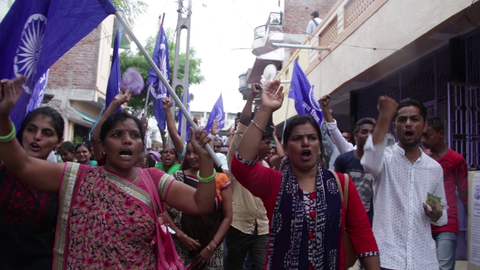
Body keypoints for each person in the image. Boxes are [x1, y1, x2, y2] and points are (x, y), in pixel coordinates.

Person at [0, 77, 217, 269]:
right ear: (102, 145)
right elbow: (22, 165)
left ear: (142, 146)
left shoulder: (153, 178)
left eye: (134, 135)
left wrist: (206, 161)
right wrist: (2, 119)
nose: (127, 140)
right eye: (117, 134)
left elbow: (201, 204)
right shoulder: (79, 177)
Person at [231, 80, 380, 270]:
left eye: (312, 138)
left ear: (319, 146)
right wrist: (265, 110)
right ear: (285, 148)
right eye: (297, 138)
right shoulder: (274, 182)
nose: (306, 143)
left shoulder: (342, 184)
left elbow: (363, 235)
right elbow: (241, 166)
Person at [361, 97, 448, 270]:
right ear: (395, 127)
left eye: (414, 119)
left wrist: (436, 214)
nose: (408, 124)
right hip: (386, 260)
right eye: (402, 120)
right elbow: (369, 160)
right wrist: (384, 117)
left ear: (424, 126)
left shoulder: (434, 168)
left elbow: (441, 214)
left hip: (424, 261)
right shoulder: (384, 159)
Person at [0, 105, 63, 270]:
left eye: (47, 133)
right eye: (31, 130)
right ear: (22, 132)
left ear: (59, 142)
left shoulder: (63, 183)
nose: (37, 137)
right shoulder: (2, 170)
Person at [164, 140, 233, 269]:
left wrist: (211, 247)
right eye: (188, 152)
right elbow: (163, 211)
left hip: (212, 248)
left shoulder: (221, 179)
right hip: (181, 248)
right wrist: (181, 235)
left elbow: (228, 217)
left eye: (196, 152)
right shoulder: (177, 178)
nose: (191, 157)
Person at [226, 85, 272, 270]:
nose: (269, 148)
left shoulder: (267, 166)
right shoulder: (237, 161)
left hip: (263, 229)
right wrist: (252, 96)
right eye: (267, 143)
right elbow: (244, 123)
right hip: (239, 226)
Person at [422, 117, 468, 270]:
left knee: (444, 267)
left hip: (447, 222)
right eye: (422, 135)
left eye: (427, 135)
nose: (423, 140)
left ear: (441, 134)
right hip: (422, 222)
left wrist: (471, 216)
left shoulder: (456, 159)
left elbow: (463, 190)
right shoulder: (420, 158)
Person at [334, 118, 376, 223]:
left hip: (372, 222)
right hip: (347, 220)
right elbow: (336, 189)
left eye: (373, 132)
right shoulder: (343, 159)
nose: (369, 135)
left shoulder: (383, 162)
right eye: (365, 132)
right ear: (356, 136)